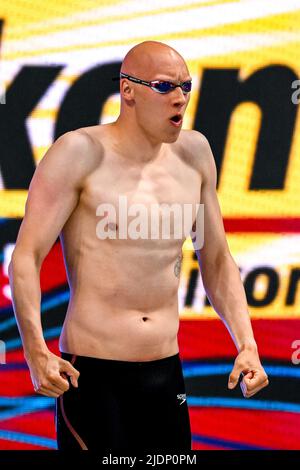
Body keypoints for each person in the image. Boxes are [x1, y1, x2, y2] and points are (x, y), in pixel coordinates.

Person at [8, 40, 269, 451]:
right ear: (127, 90)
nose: (180, 98)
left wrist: (247, 344)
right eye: (165, 87)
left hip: (166, 373)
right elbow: (26, 257)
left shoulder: (195, 154)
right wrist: (35, 351)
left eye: (186, 86)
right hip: (92, 375)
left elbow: (216, 258)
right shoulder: (79, 153)